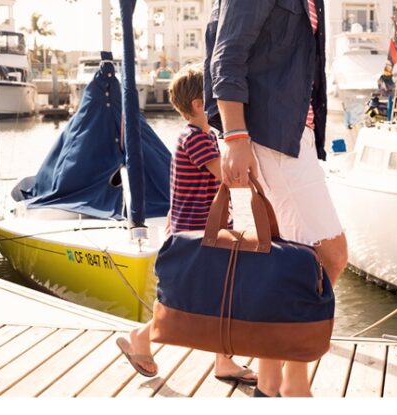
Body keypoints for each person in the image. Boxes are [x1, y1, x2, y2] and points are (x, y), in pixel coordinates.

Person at [205, 0, 348, 397]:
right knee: (330, 255)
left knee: (294, 260)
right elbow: (227, 55)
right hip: (269, 135)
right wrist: (235, 137)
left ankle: (274, 381)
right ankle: (290, 382)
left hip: (295, 134)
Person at [116, 65, 258, 386]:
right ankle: (141, 338)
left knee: (216, 297)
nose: (220, 105)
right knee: (187, 302)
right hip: (198, 236)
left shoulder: (199, 137)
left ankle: (223, 360)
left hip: (199, 232)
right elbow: (228, 177)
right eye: (215, 99)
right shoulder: (197, 140)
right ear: (198, 104)